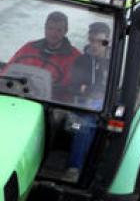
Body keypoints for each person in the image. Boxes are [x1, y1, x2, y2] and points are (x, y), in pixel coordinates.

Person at [65, 22, 111, 180]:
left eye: (100, 42)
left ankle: (83, 168)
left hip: (106, 108)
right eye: (92, 41)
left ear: (107, 42)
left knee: (88, 124)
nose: (95, 45)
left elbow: (114, 89)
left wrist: (89, 89)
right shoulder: (82, 61)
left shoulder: (114, 63)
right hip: (82, 107)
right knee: (84, 125)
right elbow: (74, 86)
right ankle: (75, 168)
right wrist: (89, 90)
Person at [8, 11, 81, 92]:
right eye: (50, 28)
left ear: (66, 31)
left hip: (53, 97)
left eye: (59, 30)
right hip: (20, 91)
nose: (53, 33)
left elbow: (74, 87)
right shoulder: (29, 48)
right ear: (45, 28)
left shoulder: (75, 57)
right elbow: (8, 68)